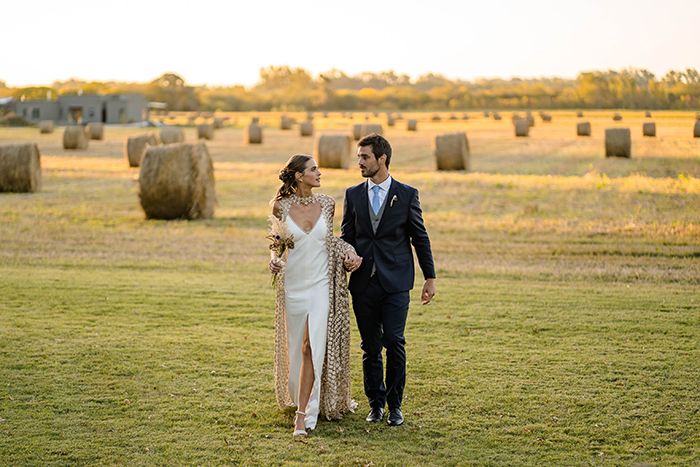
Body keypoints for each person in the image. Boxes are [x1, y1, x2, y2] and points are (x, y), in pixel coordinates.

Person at [341, 133, 436, 427]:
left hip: (396, 282)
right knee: (370, 347)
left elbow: (419, 237)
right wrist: (347, 255)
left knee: (394, 341)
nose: (359, 162)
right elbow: (347, 236)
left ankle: (395, 406)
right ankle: (376, 404)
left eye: (365, 157)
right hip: (363, 283)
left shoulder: (407, 194)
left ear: (382, 159)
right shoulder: (353, 194)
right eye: (359, 157)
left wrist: (429, 277)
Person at [268, 154, 362, 437]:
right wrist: (273, 257)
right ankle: (305, 398)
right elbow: (278, 242)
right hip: (294, 284)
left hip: (321, 284)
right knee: (298, 346)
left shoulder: (328, 204)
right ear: (298, 176)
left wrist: (350, 252)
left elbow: (330, 240)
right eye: (313, 169)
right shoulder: (280, 207)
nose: (319, 173)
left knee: (310, 345)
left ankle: (302, 417)